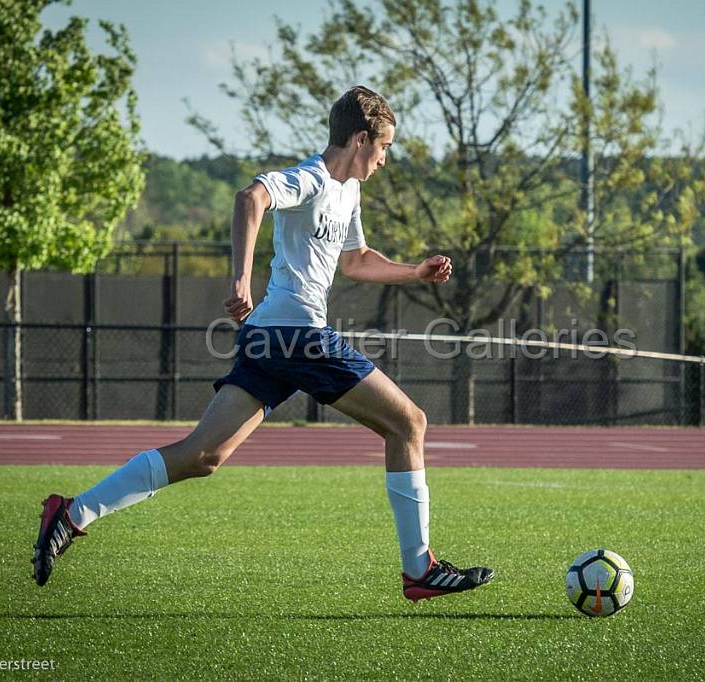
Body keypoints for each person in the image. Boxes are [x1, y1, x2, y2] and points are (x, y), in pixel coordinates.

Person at [32, 85, 495, 602]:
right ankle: (419, 569)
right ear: (361, 138)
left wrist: (416, 271)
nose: (384, 159)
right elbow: (250, 198)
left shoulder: (349, 192)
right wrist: (240, 278)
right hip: (296, 335)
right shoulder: (312, 178)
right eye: (383, 147)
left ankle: (71, 514)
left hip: (269, 338)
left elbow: (356, 259)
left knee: (202, 455)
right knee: (409, 422)